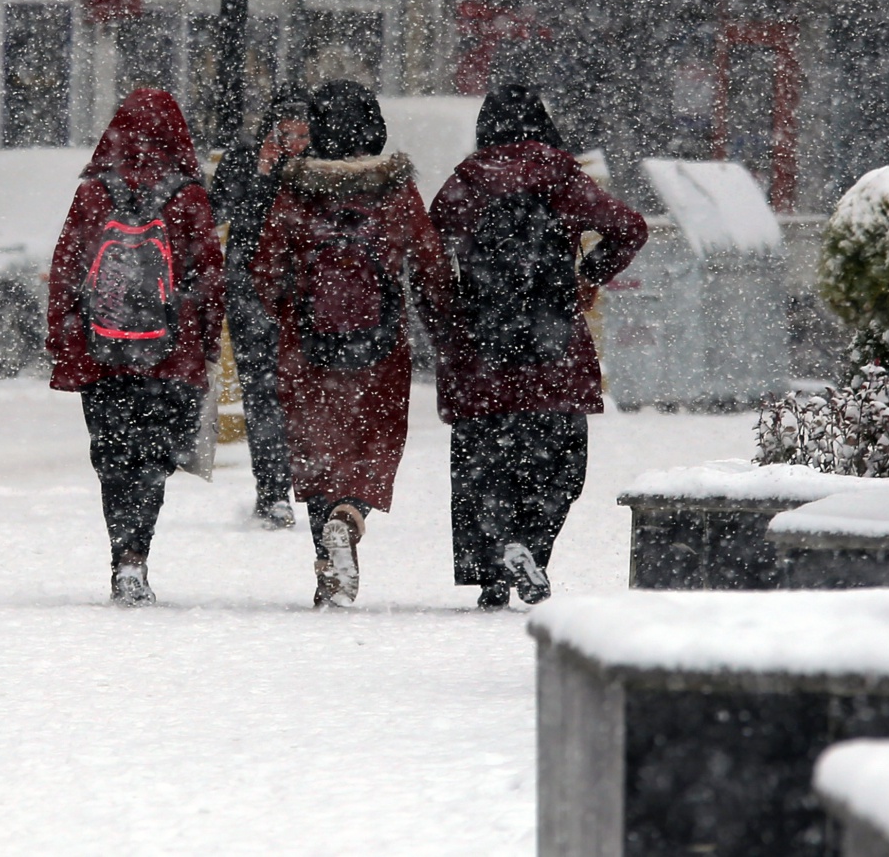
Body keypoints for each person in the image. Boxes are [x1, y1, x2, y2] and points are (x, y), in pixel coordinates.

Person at [430, 84, 647, 610]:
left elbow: (429, 251)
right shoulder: (560, 173)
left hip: (483, 353)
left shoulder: (467, 179)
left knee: (483, 465)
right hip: (554, 348)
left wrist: (453, 315)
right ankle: (531, 543)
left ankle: (493, 563)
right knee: (559, 464)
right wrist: (586, 275)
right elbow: (630, 228)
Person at [250, 80, 454, 607]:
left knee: (318, 452)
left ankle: (328, 560)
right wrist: (442, 318)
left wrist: (287, 313)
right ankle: (351, 516)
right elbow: (430, 264)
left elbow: (266, 273)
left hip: (308, 346)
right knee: (372, 444)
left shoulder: (295, 192)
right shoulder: (395, 189)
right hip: (381, 347)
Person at [47, 89, 225, 606]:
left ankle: (121, 554)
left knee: (112, 456)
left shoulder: (93, 194)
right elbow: (210, 278)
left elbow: (67, 266)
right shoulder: (189, 197)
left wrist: (63, 335)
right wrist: (206, 342)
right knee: (150, 458)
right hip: (168, 355)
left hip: (100, 352)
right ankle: (138, 556)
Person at [209, 88, 311, 529]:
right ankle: (273, 490)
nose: (296, 142)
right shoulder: (244, 159)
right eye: (286, 132)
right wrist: (261, 175)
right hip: (252, 288)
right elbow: (217, 213)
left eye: (304, 133)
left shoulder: (324, 166)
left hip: (307, 292)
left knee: (304, 391)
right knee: (263, 391)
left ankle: (312, 487)